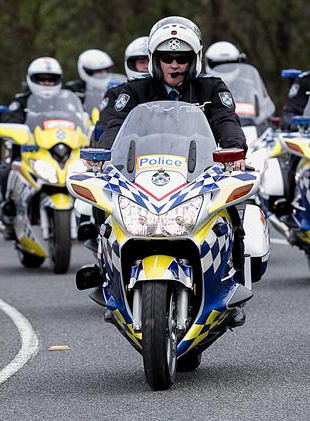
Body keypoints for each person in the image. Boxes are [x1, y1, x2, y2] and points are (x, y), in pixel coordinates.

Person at [93, 16, 248, 326]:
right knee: (105, 209)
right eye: (167, 58)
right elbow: (113, 124)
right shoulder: (134, 89)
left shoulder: (211, 86)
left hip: (197, 173)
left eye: (182, 58)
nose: (174, 64)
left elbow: (226, 121)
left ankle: (232, 288)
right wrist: (102, 155)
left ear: (195, 59)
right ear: (155, 60)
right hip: (141, 174)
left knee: (231, 215)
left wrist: (235, 151)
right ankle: (108, 277)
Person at [0, 57, 63, 239]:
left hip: (57, 153)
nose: (46, 83)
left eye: (51, 79)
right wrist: (20, 133)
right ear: (31, 79)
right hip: (27, 153)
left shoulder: (67, 101)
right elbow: (11, 121)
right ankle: (7, 212)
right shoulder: (21, 101)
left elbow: (81, 120)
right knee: (6, 171)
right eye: (42, 79)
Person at [91, 36, 149, 145]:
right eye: (142, 62)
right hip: (127, 153)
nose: (147, 67)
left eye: (150, 62)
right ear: (131, 64)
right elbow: (104, 128)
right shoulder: (116, 93)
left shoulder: (168, 91)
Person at [278, 71, 310, 226]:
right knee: (297, 153)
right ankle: (290, 206)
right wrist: (295, 124)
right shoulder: (305, 81)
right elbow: (288, 113)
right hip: (307, 137)